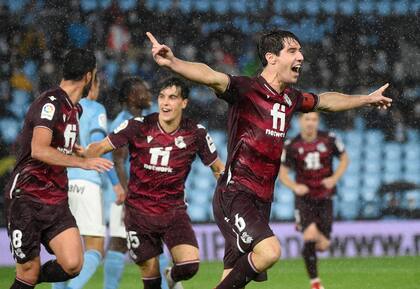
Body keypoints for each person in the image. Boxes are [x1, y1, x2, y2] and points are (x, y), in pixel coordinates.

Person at [145, 30, 392, 289]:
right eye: (293, 51)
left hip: (262, 199)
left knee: (231, 278)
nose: (301, 56)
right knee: (270, 251)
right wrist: (173, 62)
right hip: (235, 193)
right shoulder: (245, 89)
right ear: (271, 58)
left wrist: (365, 99)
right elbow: (210, 76)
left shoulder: (291, 98)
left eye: (300, 51)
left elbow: (325, 101)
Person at [87, 77, 225, 289]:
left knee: (190, 265)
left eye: (172, 97)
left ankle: (172, 276)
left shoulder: (196, 133)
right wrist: (77, 154)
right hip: (139, 214)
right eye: (162, 97)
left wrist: (232, 194)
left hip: (173, 212)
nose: (165, 103)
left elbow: (218, 168)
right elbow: (100, 148)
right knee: (150, 277)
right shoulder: (137, 126)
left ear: (184, 103)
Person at [4, 48, 113, 289]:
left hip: (55, 199)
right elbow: (39, 149)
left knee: (73, 264)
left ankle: (27, 281)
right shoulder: (50, 103)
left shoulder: (76, 109)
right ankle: (27, 279)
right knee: (29, 270)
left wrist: (79, 150)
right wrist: (83, 163)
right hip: (28, 196)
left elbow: (60, 141)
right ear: (88, 76)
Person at [51, 75, 125, 289]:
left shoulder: (63, 107)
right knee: (95, 249)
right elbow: (97, 147)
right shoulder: (95, 108)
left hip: (63, 182)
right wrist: (115, 183)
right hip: (87, 182)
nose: (99, 90)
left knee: (65, 252)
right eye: (98, 85)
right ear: (91, 85)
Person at [101, 76, 164, 289]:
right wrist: (127, 195)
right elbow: (117, 160)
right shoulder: (123, 122)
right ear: (130, 96)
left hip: (146, 192)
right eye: (143, 91)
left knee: (154, 240)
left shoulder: (145, 119)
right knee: (119, 242)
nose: (148, 94)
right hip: (129, 193)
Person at [279, 112, 349, 289]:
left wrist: (334, 178)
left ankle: (304, 229)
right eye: (307, 119)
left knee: (323, 246)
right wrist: (295, 186)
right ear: (300, 121)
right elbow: (282, 172)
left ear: (318, 121)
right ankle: (315, 283)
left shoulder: (329, 139)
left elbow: (344, 158)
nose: (310, 123)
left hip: (325, 197)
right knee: (309, 235)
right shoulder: (292, 145)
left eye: (314, 119)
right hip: (305, 199)